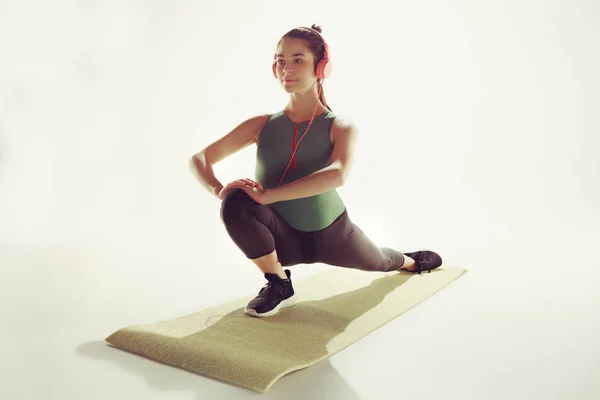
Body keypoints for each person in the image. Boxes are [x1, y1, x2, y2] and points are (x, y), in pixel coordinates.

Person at [189, 24, 443, 318]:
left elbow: (338, 174)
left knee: (381, 261)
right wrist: (220, 190)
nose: (287, 68)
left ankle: (410, 262)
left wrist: (268, 195)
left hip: (334, 235)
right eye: (281, 60)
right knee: (235, 201)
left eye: (298, 60)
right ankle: (279, 283)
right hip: (281, 237)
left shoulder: (340, 126)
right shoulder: (261, 125)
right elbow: (200, 158)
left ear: (321, 67)